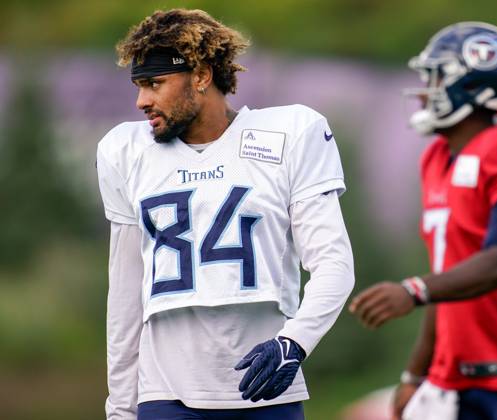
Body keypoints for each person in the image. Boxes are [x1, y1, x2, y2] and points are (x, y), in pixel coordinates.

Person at [96, 8, 354, 420]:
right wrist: (121, 409)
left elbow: (334, 264)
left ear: (200, 76)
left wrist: (294, 343)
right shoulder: (125, 151)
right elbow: (126, 293)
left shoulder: (291, 133)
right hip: (166, 391)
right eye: (139, 86)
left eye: (154, 84)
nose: (141, 101)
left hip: (265, 386)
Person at [350, 22, 497, 420]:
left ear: (472, 86)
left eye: (436, 78)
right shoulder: (436, 158)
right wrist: (416, 372)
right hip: (456, 380)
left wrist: (413, 289)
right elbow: (449, 277)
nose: (424, 91)